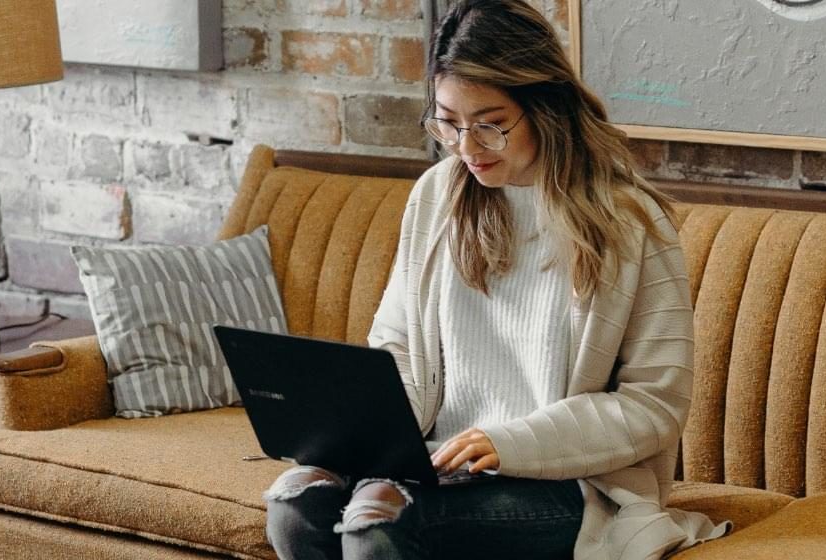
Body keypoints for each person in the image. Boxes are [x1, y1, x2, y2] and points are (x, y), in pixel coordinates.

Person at [261, 1, 724, 558]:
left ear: (546, 105)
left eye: (491, 125)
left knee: (375, 524)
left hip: (570, 487)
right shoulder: (437, 196)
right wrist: (365, 435)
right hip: (433, 466)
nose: (467, 148)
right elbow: (398, 346)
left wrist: (506, 444)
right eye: (449, 123)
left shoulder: (629, 222)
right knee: (295, 503)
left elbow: (654, 403)